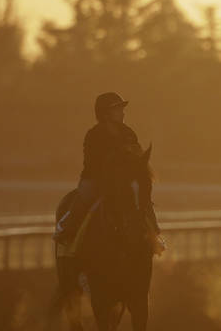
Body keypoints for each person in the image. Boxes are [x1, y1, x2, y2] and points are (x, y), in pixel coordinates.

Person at [53, 92, 160, 248]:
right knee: (84, 198)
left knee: (143, 199)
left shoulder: (129, 133)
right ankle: (66, 229)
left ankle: (154, 234)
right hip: (94, 180)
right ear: (105, 114)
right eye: (117, 110)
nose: (122, 113)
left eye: (121, 109)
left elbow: (138, 159)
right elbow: (91, 163)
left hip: (125, 180)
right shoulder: (94, 135)